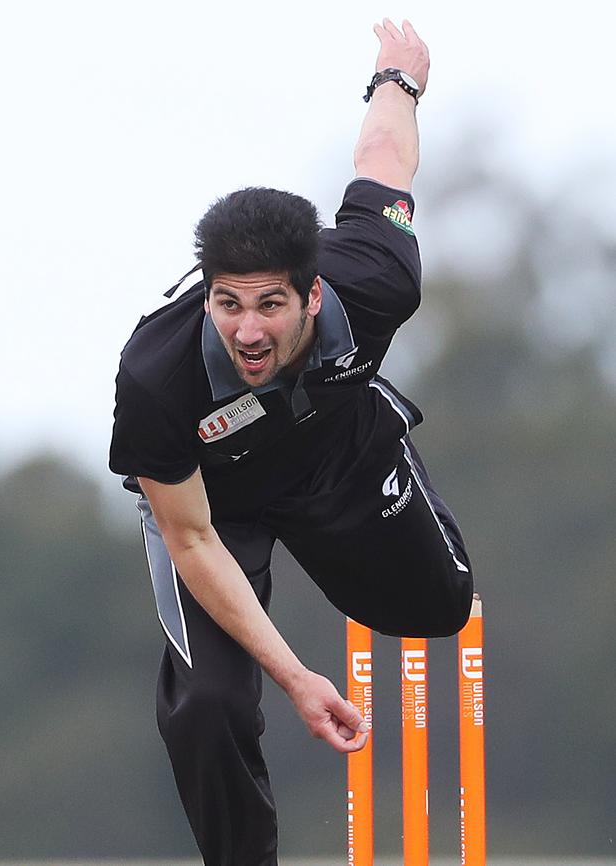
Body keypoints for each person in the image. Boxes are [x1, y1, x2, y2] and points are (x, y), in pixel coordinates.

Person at [109, 16, 473, 866]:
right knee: (207, 708)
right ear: (207, 297)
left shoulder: (375, 279)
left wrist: (398, 79)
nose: (247, 330)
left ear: (311, 295)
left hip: (343, 458)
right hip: (211, 514)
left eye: (270, 304)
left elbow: (383, 160)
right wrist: (297, 678)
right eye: (228, 304)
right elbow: (189, 537)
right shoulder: (157, 378)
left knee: (437, 612)